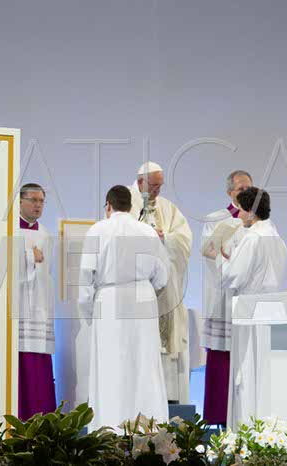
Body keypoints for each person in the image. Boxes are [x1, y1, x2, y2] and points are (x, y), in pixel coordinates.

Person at [79, 185, 170, 431]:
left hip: (109, 301)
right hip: (143, 298)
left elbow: (85, 279)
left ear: (108, 205)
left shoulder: (97, 230)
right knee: (144, 364)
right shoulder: (147, 232)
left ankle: (109, 430)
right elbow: (162, 275)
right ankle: (149, 430)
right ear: (131, 206)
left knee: (111, 367)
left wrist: (89, 315)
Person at [220, 187, 287, 427]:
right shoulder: (277, 238)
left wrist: (227, 261)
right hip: (272, 308)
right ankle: (266, 425)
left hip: (249, 306)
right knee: (264, 368)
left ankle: (247, 426)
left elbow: (233, 277)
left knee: (247, 369)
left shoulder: (252, 238)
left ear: (251, 211)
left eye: (240, 209)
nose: (238, 214)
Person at [128, 162, 192, 403]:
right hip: (137, 288)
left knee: (164, 342)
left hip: (165, 289)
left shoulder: (167, 207)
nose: (157, 190)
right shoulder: (126, 205)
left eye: (160, 186)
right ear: (140, 182)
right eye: (153, 185)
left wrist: (166, 239)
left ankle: (168, 397)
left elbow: (184, 239)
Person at [200, 170, 252, 425]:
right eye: (241, 189)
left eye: (249, 189)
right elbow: (211, 255)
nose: (246, 193)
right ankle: (220, 417)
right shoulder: (216, 220)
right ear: (230, 192)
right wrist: (234, 267)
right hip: (224, 297)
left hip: (247, 296)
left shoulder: (257, 221)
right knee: (222, 359)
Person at [18, 183, 56, 419]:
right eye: (33, 200)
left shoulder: (45, 234)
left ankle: (44, 419)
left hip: (39, 305)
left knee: (40, 361)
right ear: (20, 202)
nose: (38, 205)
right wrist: (29, 256)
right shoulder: (10, 231)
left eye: (41, 201)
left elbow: (47, 272)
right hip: (19, 306)